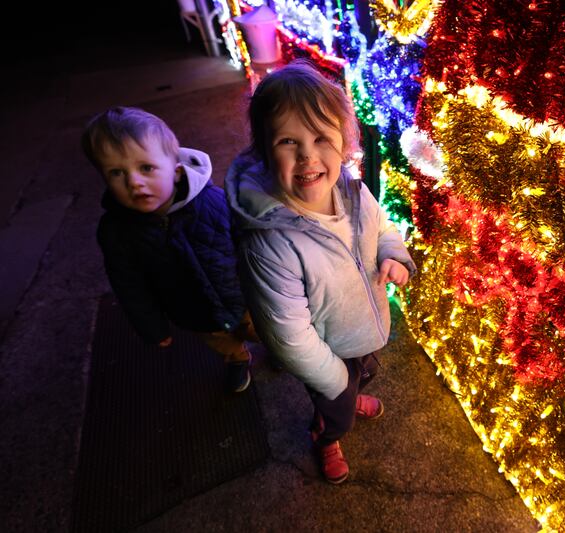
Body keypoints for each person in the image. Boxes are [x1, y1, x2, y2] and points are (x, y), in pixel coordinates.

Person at [225, 60, 416, 484]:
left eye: (321, 139)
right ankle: (327, 433)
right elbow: (289, 335)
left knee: (363, 373)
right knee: (337, 405)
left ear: (344, 144)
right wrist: (335, 386)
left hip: (361, 327)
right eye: (288, 142)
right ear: (264, 149)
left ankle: (349, 396)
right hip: (323, 352)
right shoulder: (272, 239)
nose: (308, 155)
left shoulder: (351, 191)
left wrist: (393, 256)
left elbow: (382, 227)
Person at [82, 106, 259, 394]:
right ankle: (237, 358)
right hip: (194, 313)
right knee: (221, 342)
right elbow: (129, 285)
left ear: (176, 172)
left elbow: (248, 241)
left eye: (146, 168)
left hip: (244, 297)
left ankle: (278, 351)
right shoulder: (117, 233)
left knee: (265, 331)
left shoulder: (212, 201)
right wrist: (152, 327)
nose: (134, 182)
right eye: (116, 172)